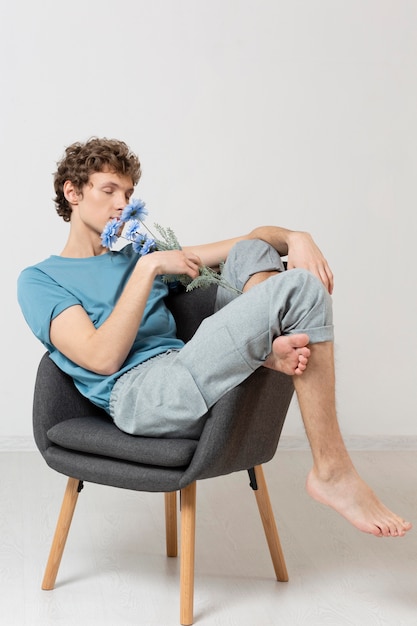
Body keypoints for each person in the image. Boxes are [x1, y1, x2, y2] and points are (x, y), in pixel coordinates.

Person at [17, 137, 411, 539]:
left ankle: (264, 347)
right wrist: (148, 267)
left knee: (254, 251)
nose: (123, 203)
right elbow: (102, 359)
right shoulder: (41, 280)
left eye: (129, 192)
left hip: (187, 365)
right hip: (140, 395)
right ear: (73, 192)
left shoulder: (138, 255)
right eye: (109, 190)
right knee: (302, 289)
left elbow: (250, 243)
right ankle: (331, 469)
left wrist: (297, 237)